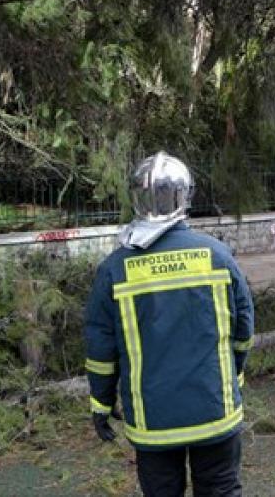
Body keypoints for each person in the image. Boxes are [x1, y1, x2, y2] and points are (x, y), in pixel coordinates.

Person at [84, 151, 255, 496]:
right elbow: (243, 331)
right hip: (215, 411)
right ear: (186, 196)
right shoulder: (218, 256)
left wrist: (101, 403)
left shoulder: (115, 269)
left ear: (136, 197)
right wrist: (233, 376)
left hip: (153, 422)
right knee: (221, 489)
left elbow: (101, 349)